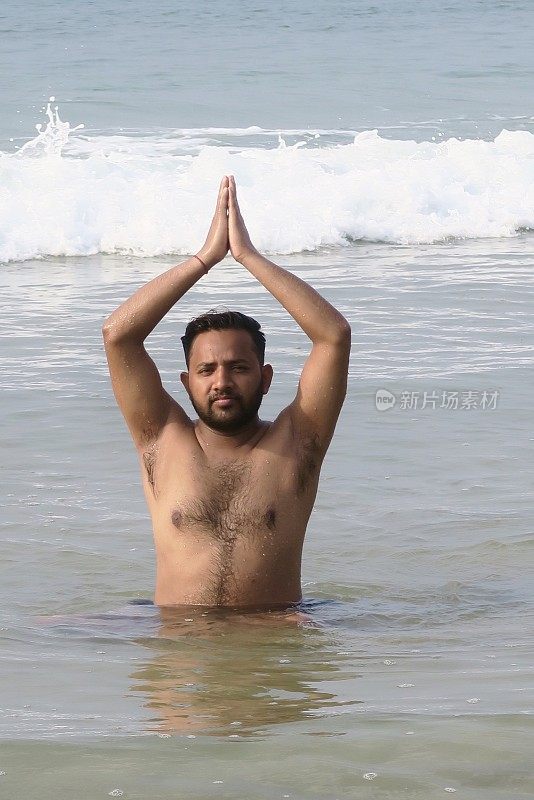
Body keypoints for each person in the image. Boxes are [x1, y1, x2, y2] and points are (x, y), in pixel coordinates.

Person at [102, 176, 351, 608]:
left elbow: (333, 335)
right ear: (186, 382)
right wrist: (203, 259)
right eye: (207, 369)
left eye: (238, 368)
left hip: (271, 641)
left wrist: (249, 258)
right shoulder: (162, 439)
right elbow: (118, 335)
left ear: (266, 377)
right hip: (178, 647)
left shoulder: (298, 441)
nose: (222, 382)